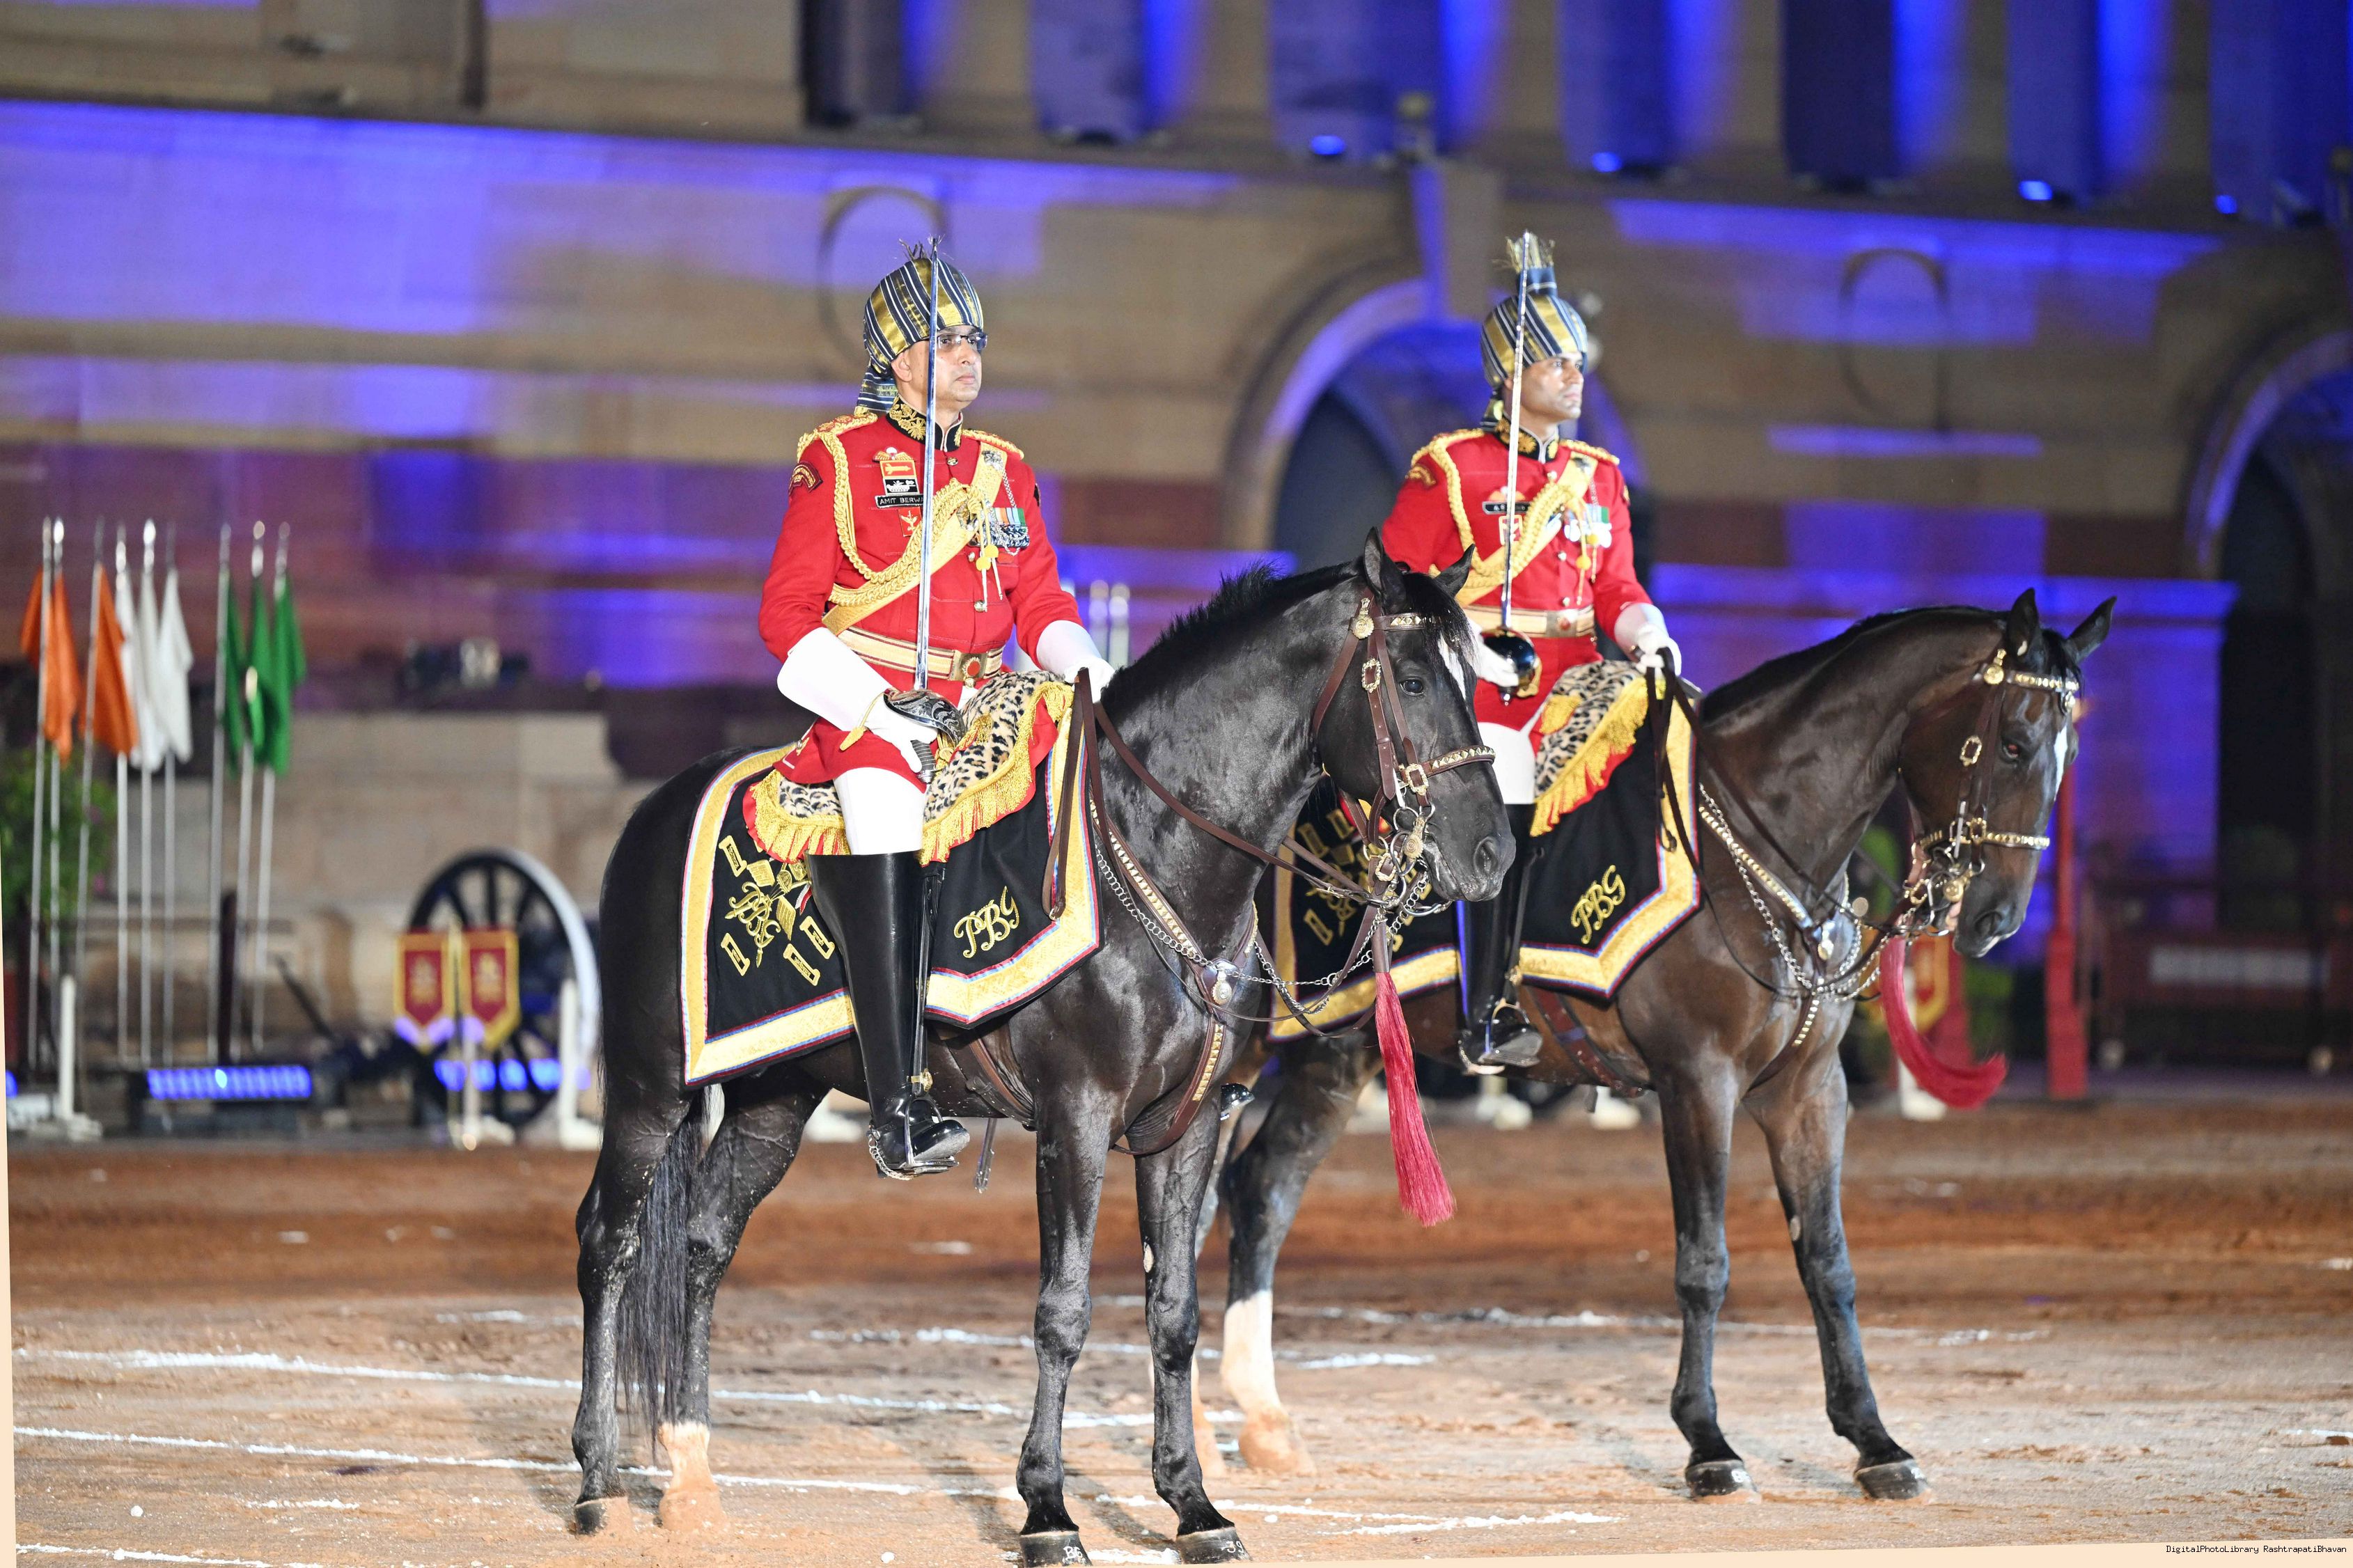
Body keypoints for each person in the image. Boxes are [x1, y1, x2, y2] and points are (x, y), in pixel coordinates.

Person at [759, 249, 1116, 1178]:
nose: (968, 356)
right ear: (897, 356)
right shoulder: (838, 458)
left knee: (1095, 778)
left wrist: (1094, 674)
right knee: (885, 814)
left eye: (974, 340)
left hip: (983, 701)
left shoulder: (1005, 469)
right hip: (874, 708)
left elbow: (1041, 605)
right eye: (947, 340)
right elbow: (785, 616)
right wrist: (873, 706)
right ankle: (896, 1101)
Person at [1380, 237, 1680, 1073]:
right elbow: (1393, 587)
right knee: (1507, 774)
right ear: (1510, 375)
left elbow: (1616, 587)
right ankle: (1490, 1003)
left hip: (1581, 683)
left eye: (1577, 360)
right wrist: (1459, 644)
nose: (1575, 375)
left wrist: (1648, 635)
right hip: (1485, 693)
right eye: (1555, 362)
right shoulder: (1454, 468)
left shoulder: (1600, 477)